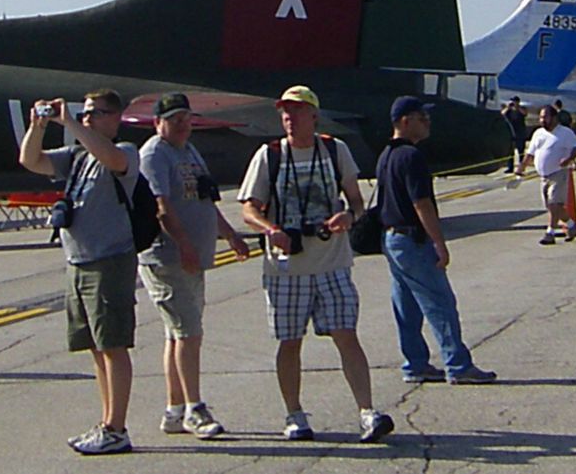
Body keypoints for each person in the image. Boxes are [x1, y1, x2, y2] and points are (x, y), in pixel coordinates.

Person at [238, 85, 394, 445]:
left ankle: (367, 412)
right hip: (286, 268)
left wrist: (347, 218)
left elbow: (357, 202)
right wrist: (271, 229)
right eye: (285, 113)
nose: (289, 119)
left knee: (346, 335)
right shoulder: (269, 155)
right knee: (290, 341)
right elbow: (249, 209)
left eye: (296, 112)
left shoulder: (334, 150)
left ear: (314, 116)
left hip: (333, 262)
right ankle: (294, 415)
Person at [20, 90, 143, 455]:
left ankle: (117, 427)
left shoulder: (125, 153)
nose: (87, 118)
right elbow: (30, 161)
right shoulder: (75, 157)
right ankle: (107, 422)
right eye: (84, 112)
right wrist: (37, 127)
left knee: (113, 345)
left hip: (109, 260)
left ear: (115, 117)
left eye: (96, 113)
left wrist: (71, 123)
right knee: (95, 348)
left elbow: (110, 157)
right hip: (78, 261)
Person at [136, 93, 250, 440]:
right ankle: (194, 409)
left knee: (178, 334)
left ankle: (174, 410)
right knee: (189, 333)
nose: (183, 125)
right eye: (174, 119)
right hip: (168, 258)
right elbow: (160, 205)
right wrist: (183, 244)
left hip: (194, 258)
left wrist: (230, 234)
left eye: (186, 118)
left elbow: (204, 198)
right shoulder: (155, 153)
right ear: (158, 123)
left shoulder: (189, 151)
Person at [376, 97, 497, 385]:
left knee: (406, 306)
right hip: (412, 240)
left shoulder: (386, 156)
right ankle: (458, 364)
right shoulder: (411, 156)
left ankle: (415, 363)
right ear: (405, 121)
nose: (428, 122)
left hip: (391, 238)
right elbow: (422, 203)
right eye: (422, 117)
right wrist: (439, 243)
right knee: (440, 302)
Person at [520, 106, 576, 244]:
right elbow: (530, 153)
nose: (542, 120)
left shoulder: (565, 133)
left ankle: (550, 233)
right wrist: (522, 167)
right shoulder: (538, 133)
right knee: (552, 206)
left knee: (554, 204)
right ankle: (572, 226)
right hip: (544, 176)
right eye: (541, 117)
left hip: (558, 173)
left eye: (546, 117)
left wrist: (568, 159)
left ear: (554, 118)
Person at [500, 98, 529, 175]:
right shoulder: (509, 111)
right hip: (511, 133)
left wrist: (518, 108)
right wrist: (508, 108)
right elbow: (502, 114)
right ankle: (510, 167)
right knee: (510, 152)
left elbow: (525, 113)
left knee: (521, 152)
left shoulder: (521, 109)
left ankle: (521, 168)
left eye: (515, 101)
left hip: (520, 134)